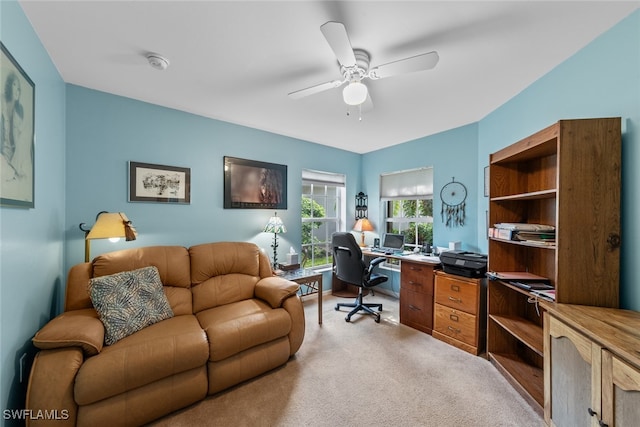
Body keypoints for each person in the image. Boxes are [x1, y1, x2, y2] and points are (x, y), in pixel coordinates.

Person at [1, 70, 28, 182]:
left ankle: (15, 173)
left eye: (19, 87)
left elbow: (21, 141)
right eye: (14, 84)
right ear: (8, 86)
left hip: (14, 156)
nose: (17, 89)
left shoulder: (19, 111)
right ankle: (13, 173)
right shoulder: (1, 102)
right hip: (3, 154)